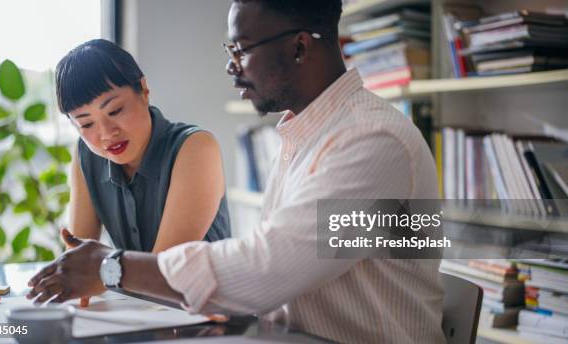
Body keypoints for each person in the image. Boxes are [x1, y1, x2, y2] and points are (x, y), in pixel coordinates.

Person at [28, 2, 444, 343]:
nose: (231, 67)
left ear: (300, 47)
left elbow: (267, 269)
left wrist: (110, 267)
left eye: (242, 49)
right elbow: (277, 273)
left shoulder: (372, 142)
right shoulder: (308, 136)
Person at [55, 39, 230, 253]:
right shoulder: (86, 153)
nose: (106, 133)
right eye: (86, 123)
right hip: (128, 288)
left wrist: (100, 267)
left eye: (115, 110)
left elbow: (163, 271)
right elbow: (78, 262)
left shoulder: (197, 148)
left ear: (144, 90)